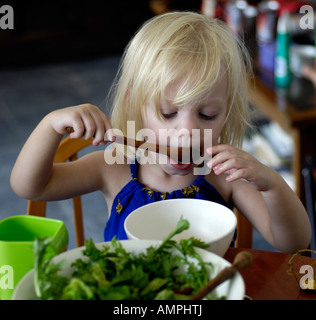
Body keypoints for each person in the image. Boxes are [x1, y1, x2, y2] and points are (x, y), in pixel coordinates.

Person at [10, 12, 311, 253]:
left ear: (228, 111)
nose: (188, 132)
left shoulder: (225, 177)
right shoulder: (112, 167)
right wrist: (49, 126)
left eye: (207, 114)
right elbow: (31, 187)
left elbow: (293, 243)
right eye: (168, 113)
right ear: (135, 105)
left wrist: (272, 184)